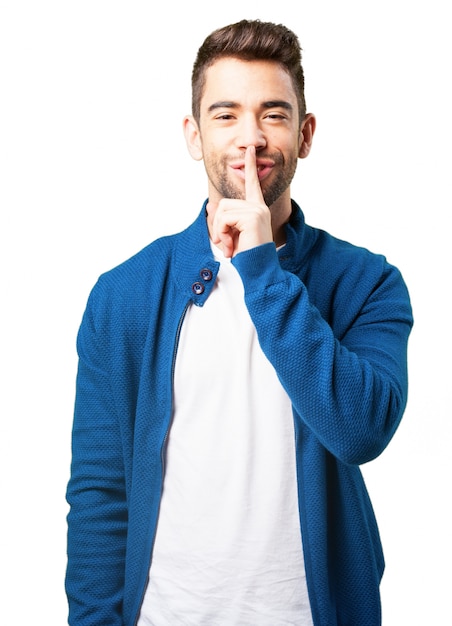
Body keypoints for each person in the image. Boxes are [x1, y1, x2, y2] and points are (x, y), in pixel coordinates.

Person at [65, 19, 413, 626]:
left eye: (273, 114)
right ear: (193, 135)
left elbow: (360, 431)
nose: (250, 137)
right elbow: (100, 495)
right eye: (225, 115)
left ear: (304, 135)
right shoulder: (123, 296)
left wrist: (261, 268)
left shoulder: (367, 284)